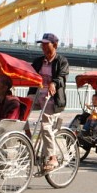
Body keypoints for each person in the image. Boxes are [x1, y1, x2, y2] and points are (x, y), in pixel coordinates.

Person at [28, 33, 69, 172]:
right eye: (42, 44)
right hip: (38, 94)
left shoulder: (61, 61)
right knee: (20, 109)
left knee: (45, 124)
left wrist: (54, 83)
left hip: (53, 98)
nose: (43, 47)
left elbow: (62, 77)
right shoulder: (39, 61)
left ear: (55, 45)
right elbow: (30, 74)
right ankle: (27, 140)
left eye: (46, 44)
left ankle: (53, 157)